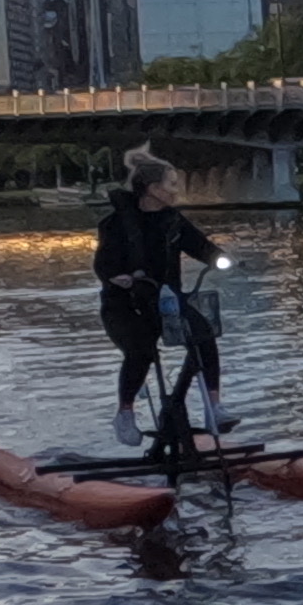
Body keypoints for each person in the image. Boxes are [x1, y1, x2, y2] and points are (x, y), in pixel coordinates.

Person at [95, 148, 227, 434]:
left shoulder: (173, 222)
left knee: (203, 336)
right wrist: (118, 278)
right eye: (172, 184)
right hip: (125, 304)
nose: (176, 191)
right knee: (141, 350)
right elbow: (103, 264)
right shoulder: (115, 224)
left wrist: (222, 259)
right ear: (153, 189)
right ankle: (125, 415)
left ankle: (214, 409)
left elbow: (201, 247)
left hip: (166, 302)